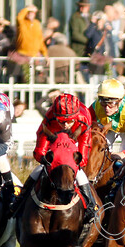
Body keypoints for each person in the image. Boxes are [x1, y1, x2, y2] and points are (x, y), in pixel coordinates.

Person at [12, 93, 98, 225]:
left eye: (69, 121)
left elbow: (85, 143)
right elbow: (41, 138)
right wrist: (42, 158)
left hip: (74, 141)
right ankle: (20, 201)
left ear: (75, 117)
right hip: (55, 142)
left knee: (79, 172)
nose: (66, 125)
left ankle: (91, 206)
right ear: (56, 117)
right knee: (39, 169)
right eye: (62, 121)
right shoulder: (50, 116)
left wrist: (79, 163)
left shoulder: (84, 116)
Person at [89, 79, 125, 156]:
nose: (107, 108)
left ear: (120, 101)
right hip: (108, 130)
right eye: (103, 103)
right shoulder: (96, 106)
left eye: (111, 104)